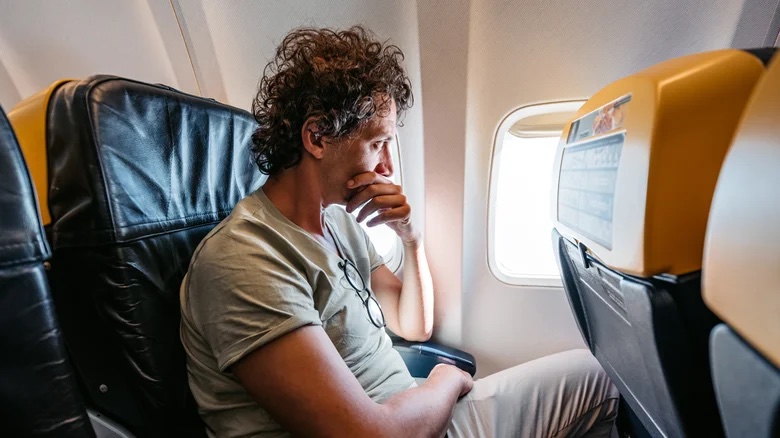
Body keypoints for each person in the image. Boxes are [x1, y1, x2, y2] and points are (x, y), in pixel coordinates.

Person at [179, 26, 619, 438]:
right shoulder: (244, 259)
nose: (387, 167)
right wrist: (444, 380)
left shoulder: (336, 224)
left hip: (416, 412)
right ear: (316, 137)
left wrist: (411, 238)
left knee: (599, 373)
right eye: (376, 144)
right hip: (409, 422)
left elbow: (413, 324)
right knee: (604, 388)